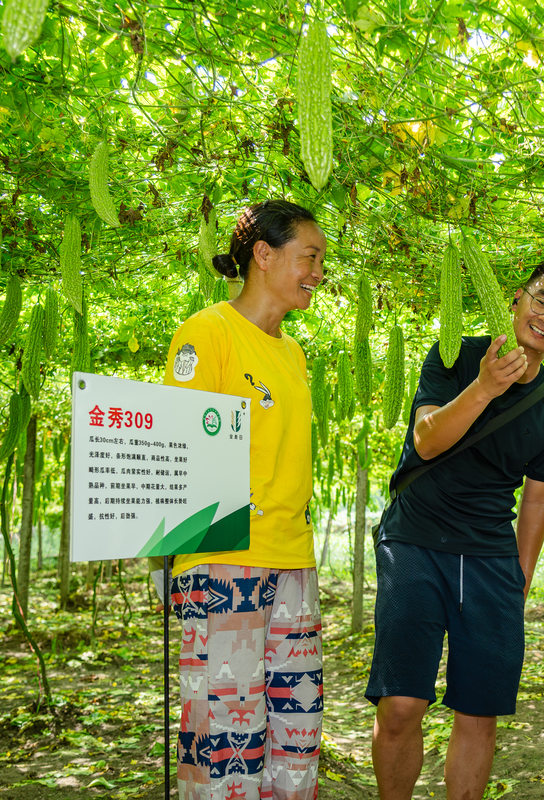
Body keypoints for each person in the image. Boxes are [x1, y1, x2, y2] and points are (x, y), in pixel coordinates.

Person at [367, 258, 544, 800]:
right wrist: (483, 387)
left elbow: (538, 498)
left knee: (479, 710)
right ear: (518, 298)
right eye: (542, 300)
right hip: (414, 542)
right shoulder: (457, 354)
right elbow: (426, 440)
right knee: (401, 704)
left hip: (491, 558)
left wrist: (520, 574)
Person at [164, 200, 327, 800]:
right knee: (228, 740)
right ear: (263, 254)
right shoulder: (208, 333)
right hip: (224, 558)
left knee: (296, 736)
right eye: (309, 257)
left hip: (293, 561)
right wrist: (178, 566)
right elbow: (178, 452)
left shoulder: (292, 353)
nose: (317, 272)